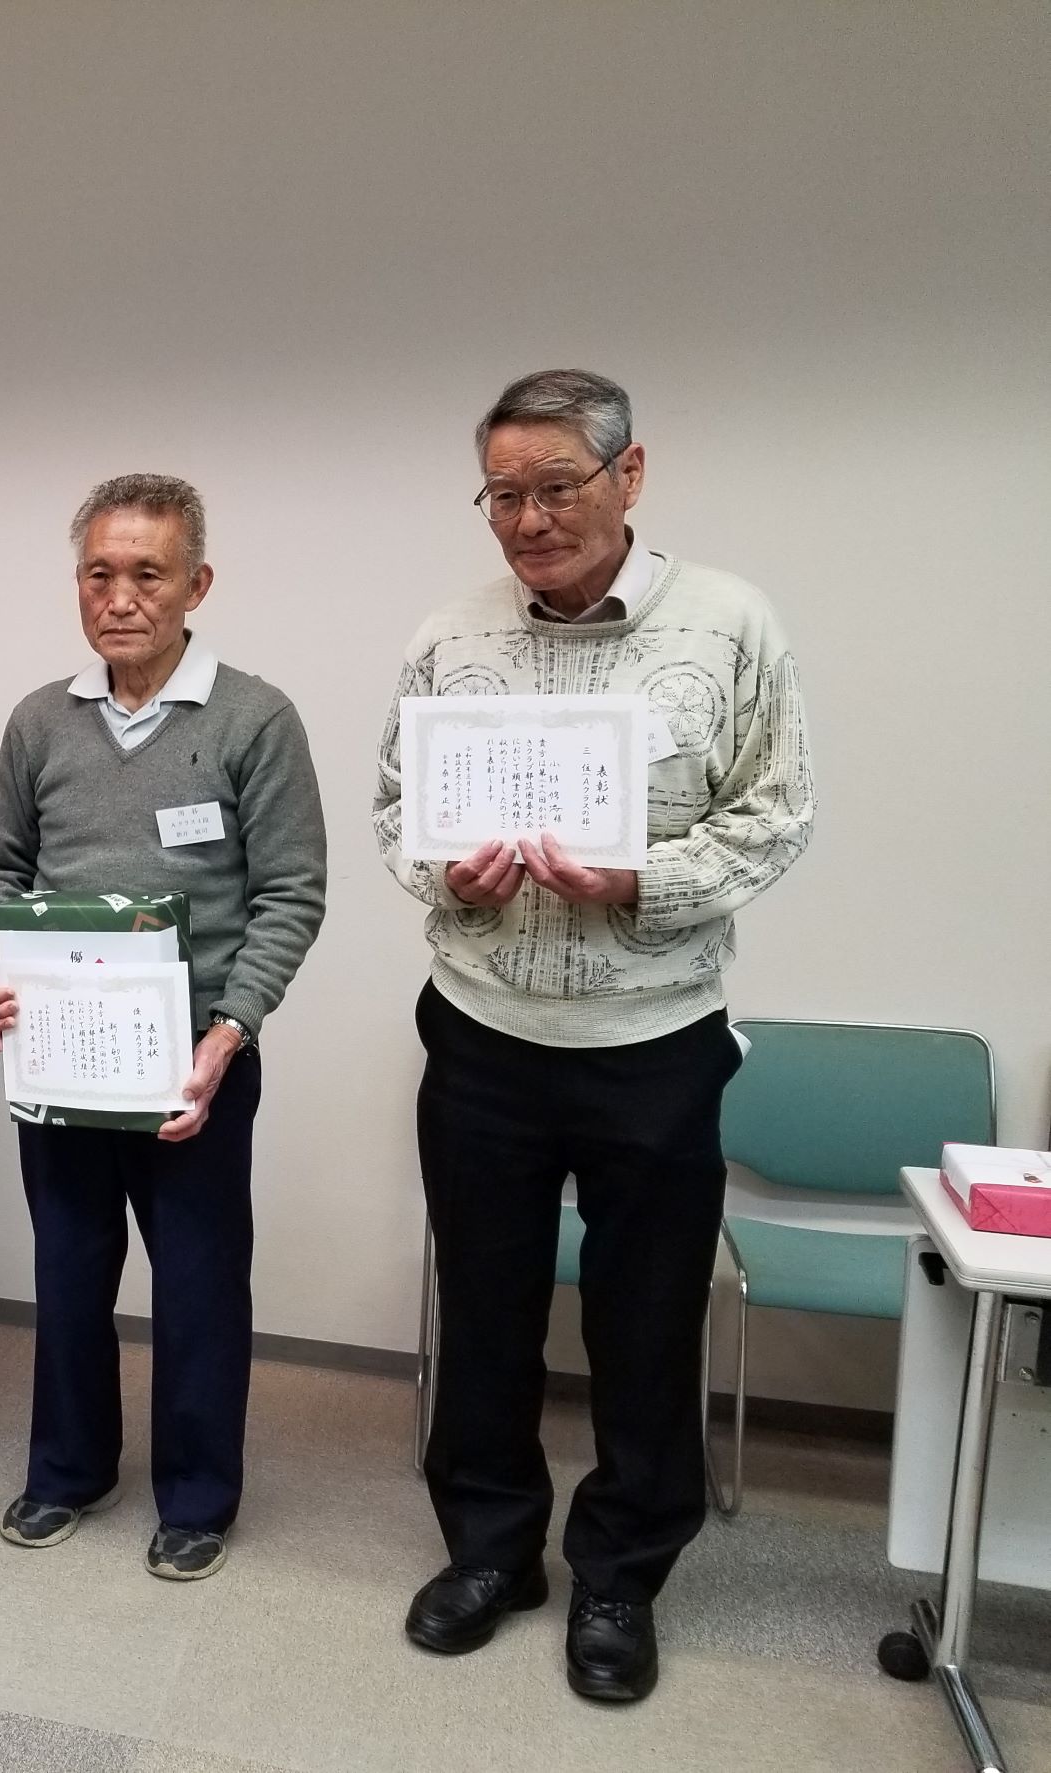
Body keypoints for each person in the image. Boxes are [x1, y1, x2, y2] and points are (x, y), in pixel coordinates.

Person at [372, 370, 815, 1701]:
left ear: (630, 476)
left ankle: (621, 1573)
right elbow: (397, 807)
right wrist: (448, 877)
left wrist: (643, 880)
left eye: (556, 486)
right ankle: (491, 1551)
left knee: (646, 1320)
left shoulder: (730, 624)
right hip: (484, 1033)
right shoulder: (450, 638)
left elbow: (777, 811)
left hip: (655, 1040)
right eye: (503, 494)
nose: (529, 519)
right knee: (486, 1309)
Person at [0, 473, 328, 1581]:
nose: (120, 597)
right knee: (71, 1270)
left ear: (196, 585)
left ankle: (198, 1497)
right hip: (63, 1058)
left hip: (193, 1063)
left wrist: (231, 1032)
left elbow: (291, 894)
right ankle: (68, 1470)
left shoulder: (254, 718)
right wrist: (4, 960)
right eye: (99, 574)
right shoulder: (41, 720)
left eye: (147, 574)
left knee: (200, 1283)